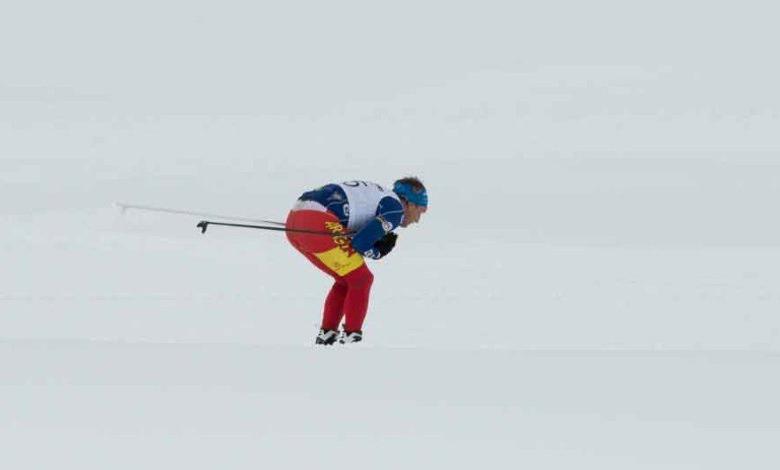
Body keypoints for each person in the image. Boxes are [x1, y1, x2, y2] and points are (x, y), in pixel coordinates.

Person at [285, 177, 428, 345]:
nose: (418, 219)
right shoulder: (396, 210)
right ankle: (352, 338)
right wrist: (377, 252)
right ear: (409, 203)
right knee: (362, 279)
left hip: (294, 221)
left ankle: (327, 335)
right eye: (421, 210)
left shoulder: (380, 197)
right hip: (317, 221)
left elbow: (357, 236)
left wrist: (372, 244)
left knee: (346, 278)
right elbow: (360, 243)